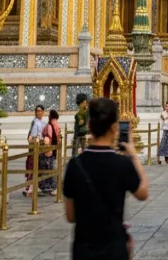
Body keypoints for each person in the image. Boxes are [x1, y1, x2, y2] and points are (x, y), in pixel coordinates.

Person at [63, 97, 148, 259]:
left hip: (83, 250)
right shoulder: (122, 164)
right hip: (114, 249)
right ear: (115, 128)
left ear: (89, 126)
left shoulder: (74, 165)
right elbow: (143, 193)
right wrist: (134, 156)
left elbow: (70, 216)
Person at [25, 104, 48, 195]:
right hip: (34, 148)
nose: (39, 113)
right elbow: (31, 136)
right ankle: (29, 189)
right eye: (37, 111)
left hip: (41, 148)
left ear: (43, 112)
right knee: (32, 167)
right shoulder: (34, 122)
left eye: (40, 111)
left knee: (39, 167)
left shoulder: (43, 123)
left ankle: (36, 187)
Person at [39, 109, 62, 195]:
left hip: (48, 150)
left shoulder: (48, 126)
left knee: (46, 169)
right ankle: (54, 187)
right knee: (53, 168)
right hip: (55, 150)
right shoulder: (58, 126)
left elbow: (47, 138)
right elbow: (59, 138)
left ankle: (47, 187)